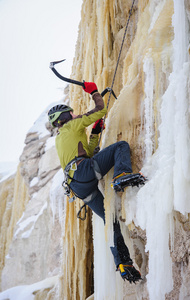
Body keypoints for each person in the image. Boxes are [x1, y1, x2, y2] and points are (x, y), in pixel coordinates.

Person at [48, 82, 144, 283]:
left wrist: (95, 133)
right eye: (71, 114)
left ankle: (123, 263)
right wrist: (93, 92)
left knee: (111, 220)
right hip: (84, 172)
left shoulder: (61, 138)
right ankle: (121, 175)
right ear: (65, 118)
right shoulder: (72, 125)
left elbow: (89, 153)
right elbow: (101, 110)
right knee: (121, 146)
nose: (75, 115)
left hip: (79, 186)